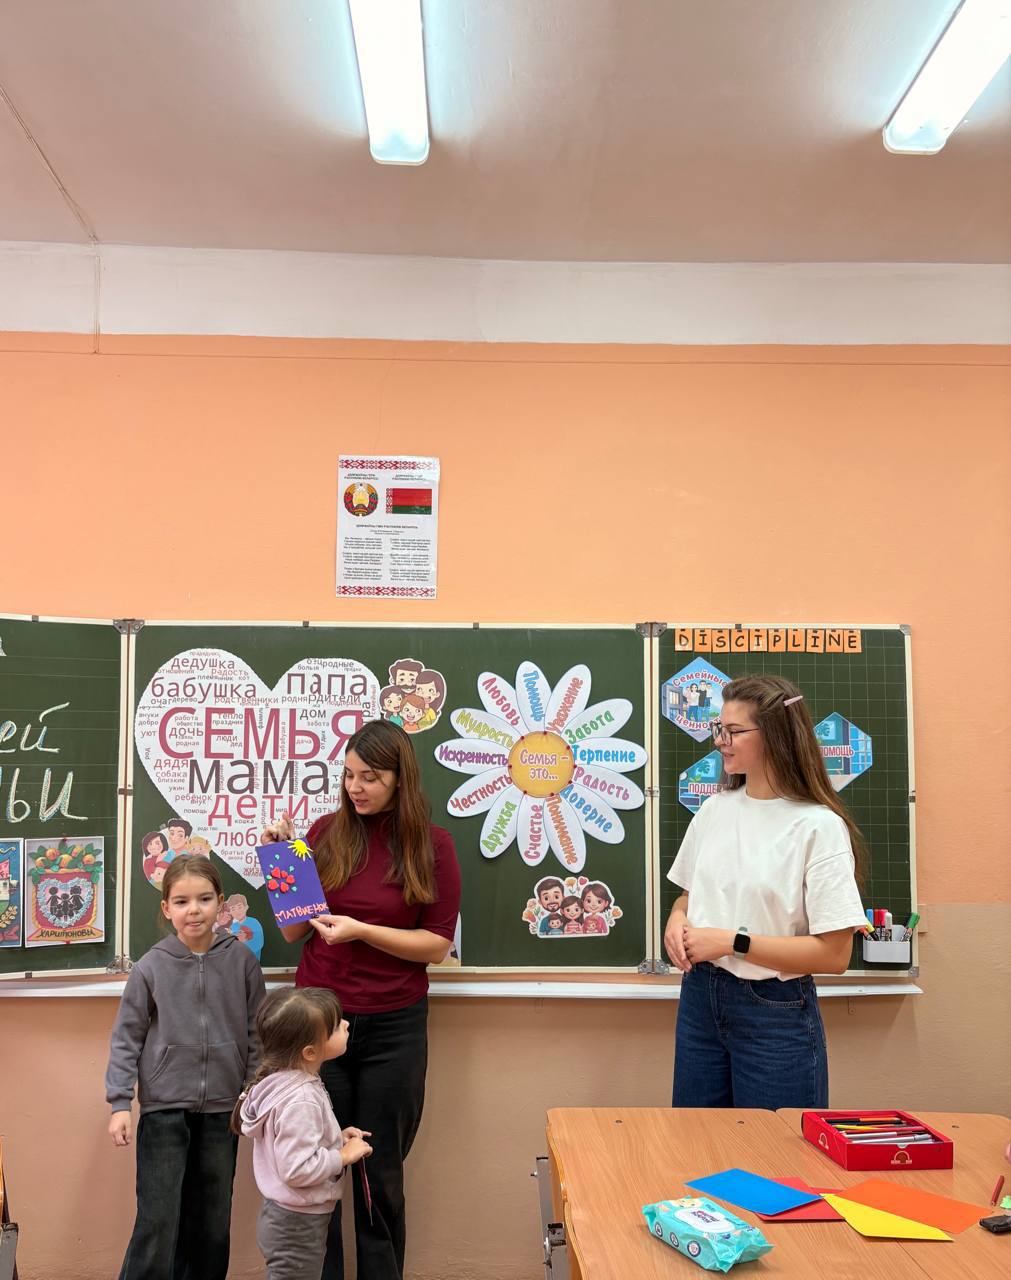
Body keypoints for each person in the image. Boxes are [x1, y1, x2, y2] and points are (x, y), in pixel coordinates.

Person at [261, 719, 461, 1280]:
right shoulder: (324, 832)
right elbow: (294, 932)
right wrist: (283, 862)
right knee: (316, 1173)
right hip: (318, 1027)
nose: (356, 787)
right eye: (349, 775)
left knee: (379, 1173)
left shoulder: (433, 845)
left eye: (370, 777)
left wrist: (362, 931)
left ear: (400, 779)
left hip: (394, 1026)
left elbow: (436, 946)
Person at [664, 674, 867, 1110]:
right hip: (700, 999)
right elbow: (689, 894)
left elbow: (834, 955)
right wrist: (677, 918)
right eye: (719, 729)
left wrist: (732, 943)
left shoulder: (817, 826)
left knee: (773, 1149)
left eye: (733, 731)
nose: (720, 741)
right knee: (696, 1143)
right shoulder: (714, 810)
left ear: (774, 735)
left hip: (773, 1011)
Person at [105, 854, 266, 1280]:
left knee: (212, 1222)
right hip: (164, 1111)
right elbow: (126, 1038)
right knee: (158, 1221)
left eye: (204, 899)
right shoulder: (150, 967)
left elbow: (257, 1033)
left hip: (223, 1111)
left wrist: (251, 1093)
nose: (193, 910)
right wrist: (120, 1103)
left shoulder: (242, 962)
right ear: (166, 908)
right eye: (181, 901)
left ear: (221, 904)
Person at [237, 986, 373, 1280]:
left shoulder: (288, 1083)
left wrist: (336, 1139)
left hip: (288, 1217)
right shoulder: (301, 1099)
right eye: (335, 1026)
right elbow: (297, 1169)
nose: (346, 1024)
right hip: (296, 1223)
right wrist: (341, 1156)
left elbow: (297, 1145)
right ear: (310, 1051)